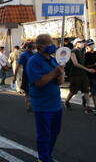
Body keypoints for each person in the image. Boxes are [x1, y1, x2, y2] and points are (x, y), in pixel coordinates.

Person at [26, 34, 64, 162]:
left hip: (56, 104)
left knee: (54, 132)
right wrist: (55, 73)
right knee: (44, 135)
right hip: (43, 105)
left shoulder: (52, 60)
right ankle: (43, 158)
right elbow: (39, 83)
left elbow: (58, 80)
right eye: (48, 43)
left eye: (52, 42)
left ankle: (48, 154)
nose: (52, 45)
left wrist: (60, 77)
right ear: (40, 46)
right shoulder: (33, 61)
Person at [63, 38, 96, 115]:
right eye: (79, 42)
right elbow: (76, 63)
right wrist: (88, 70)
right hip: (75, 74)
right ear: (75, 43)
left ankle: (88, 107)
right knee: (74, 90)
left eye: (82, 42)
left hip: (83, 73)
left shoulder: (82, 52)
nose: (81, 43)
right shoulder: (73, 52)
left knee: (86, 90)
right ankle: (67, 101)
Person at [13, 42, 36, 113]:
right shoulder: (24, 55)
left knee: (35, 91)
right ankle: (29, 106)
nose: (34, 49)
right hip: (27, 75)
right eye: (33, 47)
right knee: (28, 91)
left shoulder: (35, 54)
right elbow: (18, 66)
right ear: (28, 47)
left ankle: (35, 106)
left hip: (35, 75)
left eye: (35, 47)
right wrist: (14, 77)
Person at [83, 39, 96, 113]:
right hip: (91, 74)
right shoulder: (86, 55)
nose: (92, 46)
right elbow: (86, 66)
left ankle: (86, 97)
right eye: (90, 44)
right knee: (94, 90)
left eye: (93, 44)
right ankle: (95, 106)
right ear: (87, 46)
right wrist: (94, 65)